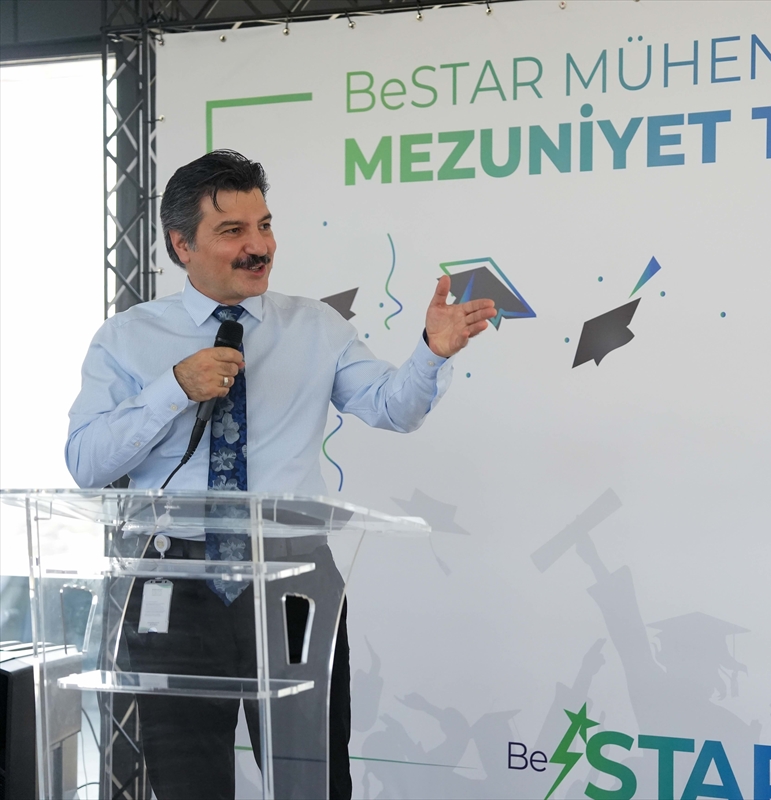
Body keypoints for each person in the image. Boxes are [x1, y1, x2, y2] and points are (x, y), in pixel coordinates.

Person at [65, 149, 495, 799]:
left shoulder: (316, 327)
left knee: (312, 778)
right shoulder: (127, 340)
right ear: (182, 245)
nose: (259, 246)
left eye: (264, 226)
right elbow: (86, 463)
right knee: (184, 781)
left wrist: (431, 353)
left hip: (294, 579)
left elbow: (392, 407)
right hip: (173, 583)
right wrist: (172, 388)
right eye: (233, 231)